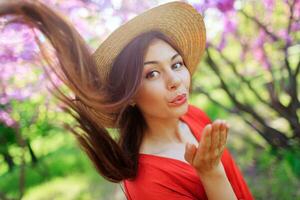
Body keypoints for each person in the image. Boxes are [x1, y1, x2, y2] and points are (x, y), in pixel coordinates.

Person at [0, 1, 254, 199]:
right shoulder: (148, 183)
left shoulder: (194, 116)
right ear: (130, 94)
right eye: (152, 73)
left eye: (176, 64)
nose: (174, 80)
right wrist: (211, 173)